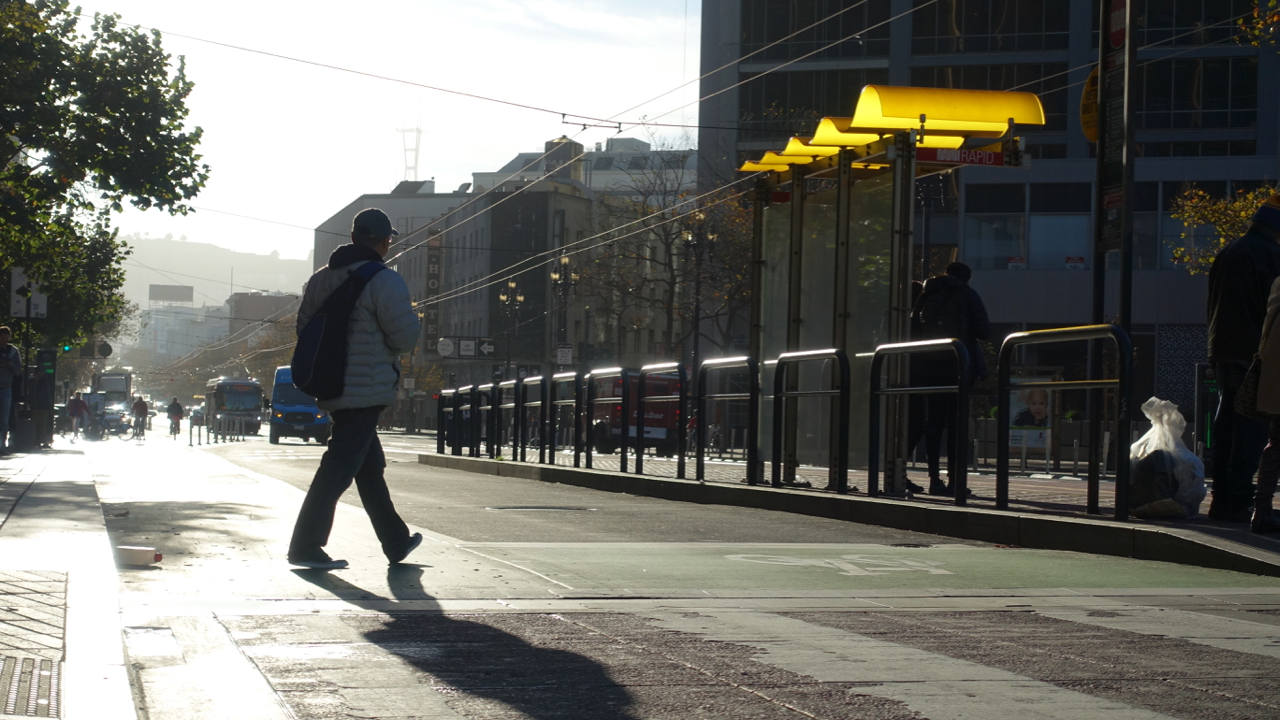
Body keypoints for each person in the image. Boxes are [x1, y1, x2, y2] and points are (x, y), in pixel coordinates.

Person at [287, 208, 423, 570]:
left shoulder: (320, 279)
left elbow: (305, 331)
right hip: (365, 389)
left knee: (368, 465)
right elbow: (405, 336)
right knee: (337, 469)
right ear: (384, 241)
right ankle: (306, 546)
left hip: (332, 385)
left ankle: (396, 541)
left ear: (352, 238)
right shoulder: (385, 280)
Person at [1206, 193, 1280, 522]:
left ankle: (1222, 500)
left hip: (1223, 351)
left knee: (1226, 428)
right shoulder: (1272, 256)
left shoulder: (1228, 252)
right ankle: (1240, 501)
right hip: (1256, 357)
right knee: (1252, 431)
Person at [911, 262, 990, 496]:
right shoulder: (967, 294)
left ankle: (934, 481)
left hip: (929, 368)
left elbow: (914, 329)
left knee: (934, 424)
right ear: (967, 278)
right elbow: (984, 331)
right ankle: (956, 481)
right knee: (957, 426)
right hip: (959, 367)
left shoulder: (926, 294)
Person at [0, 327, 20, 455]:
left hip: (6, 389)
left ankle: (1, 446)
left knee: (4, 420)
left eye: (7, 338)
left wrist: (10, 365)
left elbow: (18, 371)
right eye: (2, 338)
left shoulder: (13, 351)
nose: (4, 341)